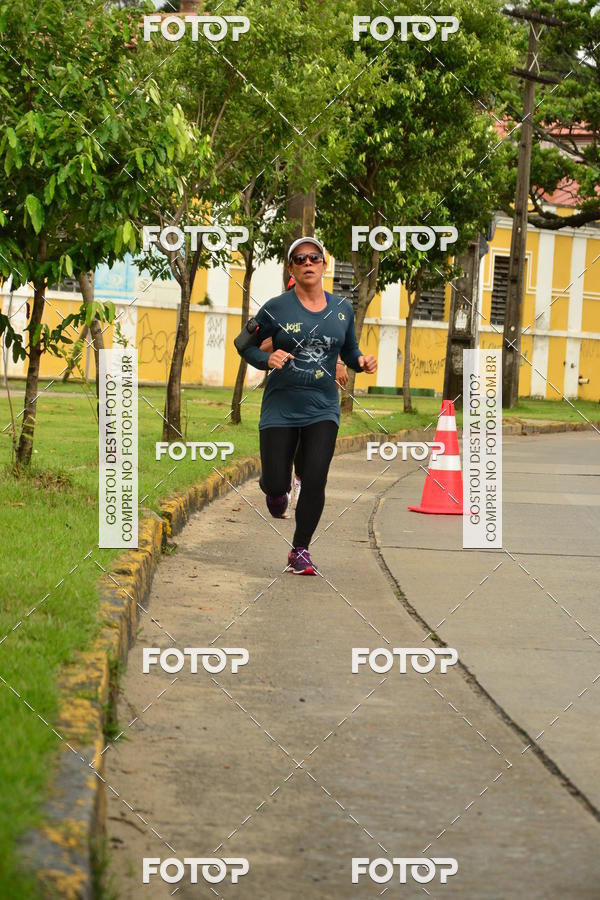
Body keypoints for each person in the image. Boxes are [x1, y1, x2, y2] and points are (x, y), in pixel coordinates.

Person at [236, 237, 377, 575]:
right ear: (292, 268)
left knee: (315, 479)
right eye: (300, 259)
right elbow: (244, 343)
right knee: (275, 483)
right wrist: (266, 358)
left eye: (315, 257)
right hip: (280, 408)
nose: (308, 262)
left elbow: (350, 351)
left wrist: (361, 361)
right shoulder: (275, 308)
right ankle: (275, 490)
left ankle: (300, 549)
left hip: (323, 408)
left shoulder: (342, 308)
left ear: (324, 265)